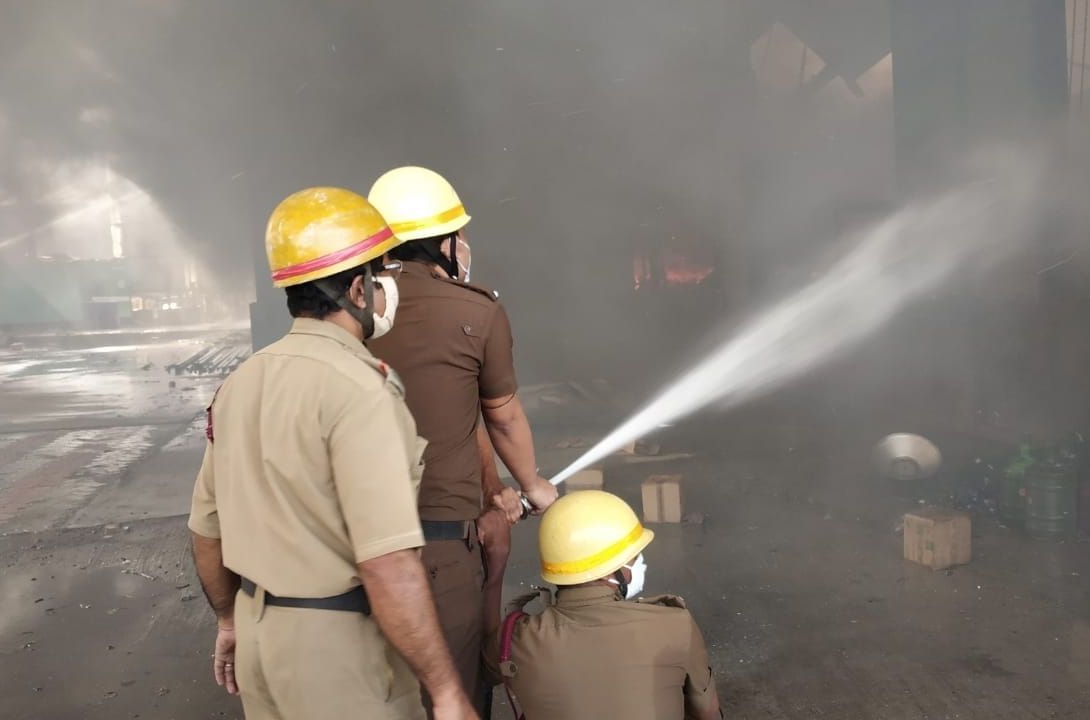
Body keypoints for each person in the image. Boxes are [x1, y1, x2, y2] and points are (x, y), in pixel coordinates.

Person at [188, 187, 477, 720]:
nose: (390, 285)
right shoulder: (361, 390)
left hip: (260, 647)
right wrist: (447, 690)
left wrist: (230, 622)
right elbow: (388, 563)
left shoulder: (240, 382)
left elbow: (207, 530)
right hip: (340, 659)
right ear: (358, 290)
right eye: (381, 273)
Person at [365, 166, 559, 717]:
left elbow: (461, 416)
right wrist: (531, 484)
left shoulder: (353, 312)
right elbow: (500, 416)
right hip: (438, 548)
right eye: (460, 234)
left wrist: (493, 487)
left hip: (347, 547)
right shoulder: (476, 310)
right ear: (445, 243)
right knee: (454, 691)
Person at [493, 490, 724, 720]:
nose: (640, 562)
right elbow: (707, 712)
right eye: (633, 557)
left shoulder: (515, 637)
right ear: (612, 570)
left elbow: (473, 670)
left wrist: (494, 567)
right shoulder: (674, 624)